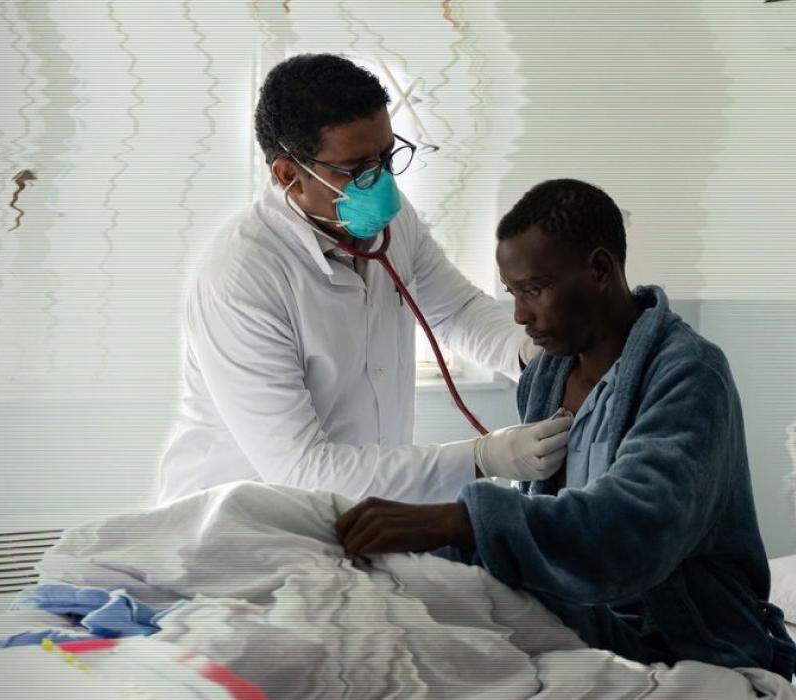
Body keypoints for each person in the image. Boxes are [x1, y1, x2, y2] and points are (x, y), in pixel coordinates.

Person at [334, 179, 796, 700]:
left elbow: (631, 529)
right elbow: (546, 526)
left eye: (533, 290)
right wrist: (433, 539)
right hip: (579, 611)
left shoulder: (689, 374)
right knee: (354, 570)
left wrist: (457, 520)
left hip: (685, 637)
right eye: (512, 293)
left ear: (600, 270)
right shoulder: (548, 374)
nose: (519, 315)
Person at [156, 54, 573, 506]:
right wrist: (482, 458)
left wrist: (531, 353)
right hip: (241, 523)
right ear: (289, 175)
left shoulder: (394, 225)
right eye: (357, 170)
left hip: (359, 512)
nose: (383, 183)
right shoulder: (241, 280)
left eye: (388, 156)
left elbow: (456, 312)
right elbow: (301, 468)